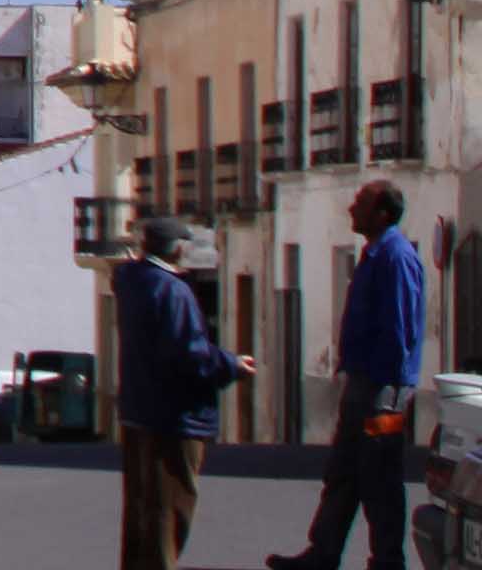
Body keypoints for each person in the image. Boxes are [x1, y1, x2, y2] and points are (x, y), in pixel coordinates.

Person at [273, 178, 427, 570]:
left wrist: (386, 392)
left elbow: (400, 328)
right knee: (343, 471)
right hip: (363, 385)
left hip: (382, 391)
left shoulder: (396, 257)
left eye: (361, 203)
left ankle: (388, 560)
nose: (351, 209)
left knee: (379, 475)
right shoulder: (374, 254)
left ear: (382, 213)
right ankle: (322, 553)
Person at [116, 212, 246, 568]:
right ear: (176, 248)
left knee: (141, 514)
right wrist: (231, 365)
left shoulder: (131, 280)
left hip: (138, 411)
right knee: (169, 513)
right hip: (173, 419)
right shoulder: (172, 291)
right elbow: (189, 354)